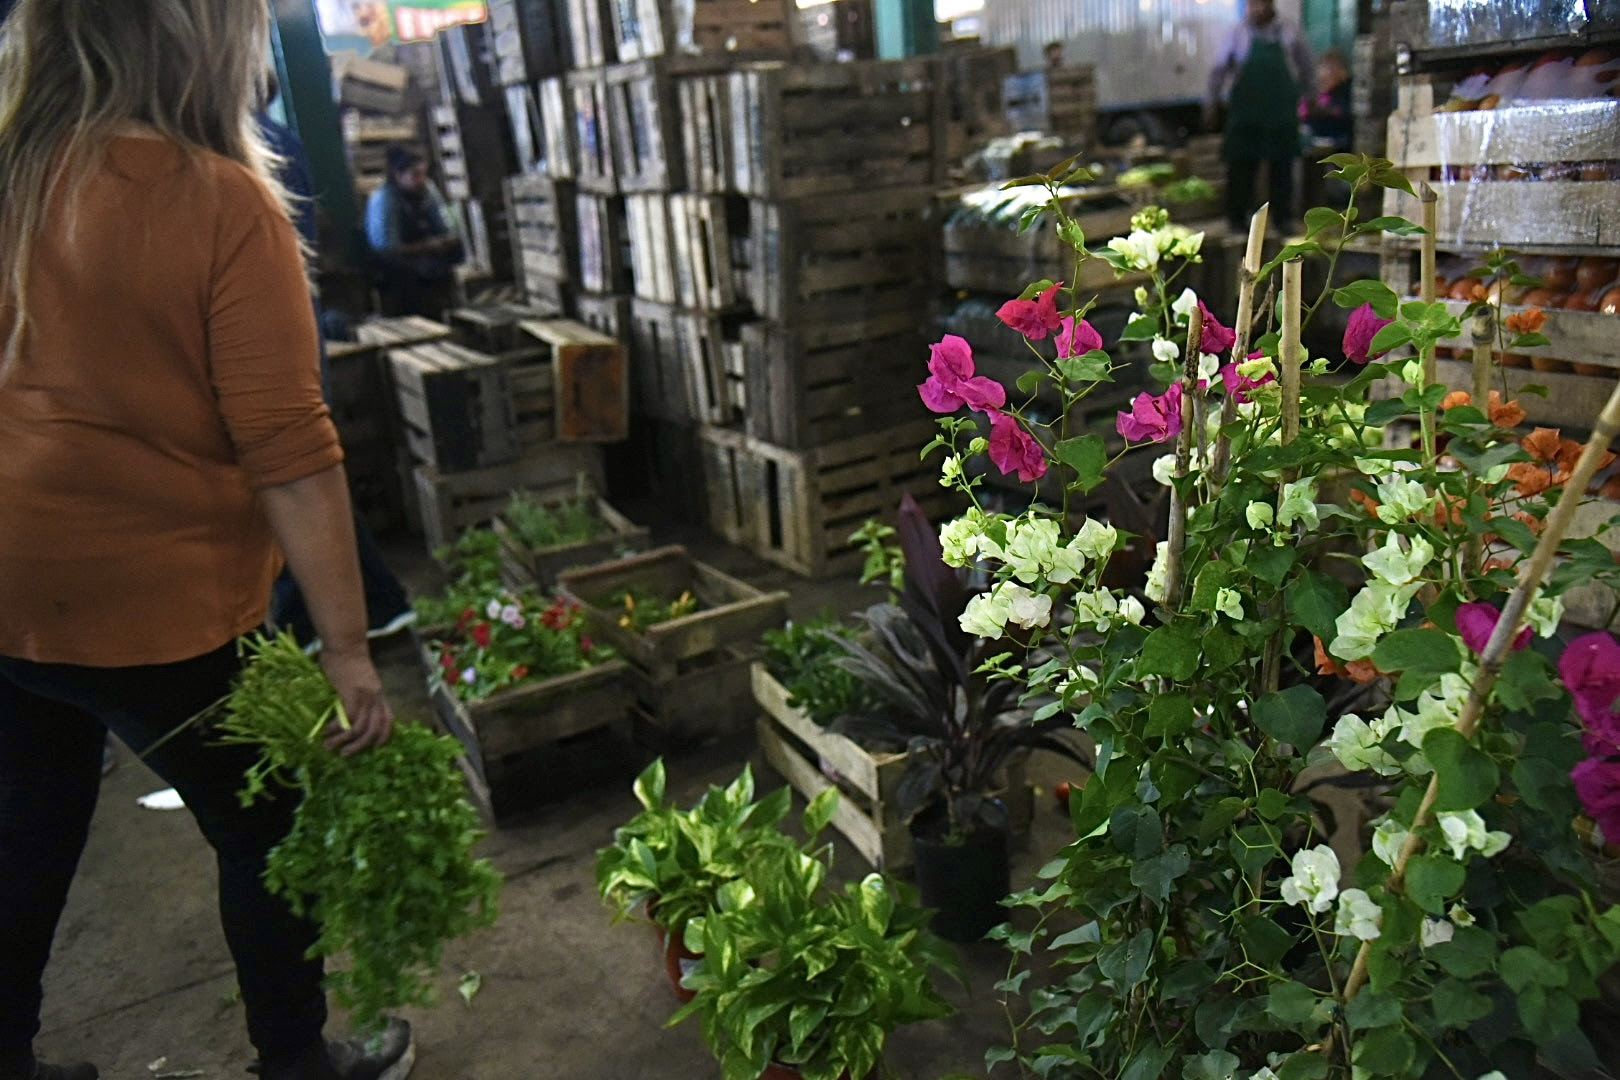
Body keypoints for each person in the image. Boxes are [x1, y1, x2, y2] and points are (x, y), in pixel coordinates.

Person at [0, 4, 410, 1080]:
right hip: (156, 602)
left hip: (9, 587)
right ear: (200, 39)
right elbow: (287, 446)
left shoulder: (14, 174)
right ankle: (295, 1061)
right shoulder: (217, 198)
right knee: (272, 836)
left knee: (27, 831)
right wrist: (348, 649)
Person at [258, 86, 416, 651]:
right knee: (307, 474)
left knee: (295, 475)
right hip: (289, 333)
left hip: (272, 344)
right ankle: (372, 605)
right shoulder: (273, 142)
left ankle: (325, 623)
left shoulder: (251, 145)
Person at [1205, 0, 1315, 232]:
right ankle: (1237, 220)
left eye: (1260, 3)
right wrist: (1211, 104)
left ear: (1271, 4)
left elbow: (1307, 67)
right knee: (1241, 170)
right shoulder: (1236, 34)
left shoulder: (1290, 32)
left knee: (1282, 169)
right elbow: (1218, 71)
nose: (1255, 9)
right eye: (1251, 4)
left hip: (1280, 115)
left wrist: (1311, 97)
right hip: (1246, 117)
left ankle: (1282, 220)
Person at [364, 146, 464, 319]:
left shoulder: (427, 190)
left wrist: (447, 240)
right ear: (399, 175)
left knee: (455, 253)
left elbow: (442, 225)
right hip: (393, 265)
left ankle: (451, 311)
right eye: (415, 175)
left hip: (425, 254)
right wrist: (426, 246)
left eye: (424, 173)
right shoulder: (384, 200)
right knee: (406, 275)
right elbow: (387, 248)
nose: (422, 179)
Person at [1302, 47, 1354, 154]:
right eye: (1322, 67)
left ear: (1342, 72)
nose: (1323, 74)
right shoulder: (1317, 94)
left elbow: (1343, 114)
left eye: (1330, 68)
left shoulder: (1346, 91)